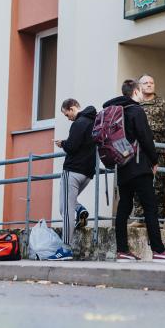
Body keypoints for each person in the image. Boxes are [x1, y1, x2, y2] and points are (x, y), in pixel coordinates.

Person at [103, 80, 165, 263]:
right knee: (151, 208)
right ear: (136, 91)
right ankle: (159, 251)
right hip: (139, 166)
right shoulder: (136, 110)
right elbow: (146, 138)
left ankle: (122, 251)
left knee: (124, 208)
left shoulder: (114, 111)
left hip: (121, 166)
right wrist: (154, 160)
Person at [130, 74, 165, 224]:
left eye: (152, 82)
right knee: (138, 185)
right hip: (138, 152)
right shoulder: (134, 105)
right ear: (139, 86)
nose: (149, 85)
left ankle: (158, 221)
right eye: (146, 83)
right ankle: (139, 219)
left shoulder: (164, 104)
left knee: (157, 187)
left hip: (158, 152)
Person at [52, 98, 96, 261]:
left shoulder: (78, 123)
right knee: (67, 207)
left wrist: (62, 143)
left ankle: (65, 249)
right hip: (87, 172)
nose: (68, 118)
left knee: (66, 211)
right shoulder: (93, 121)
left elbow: (72, 146)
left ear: (71, 108)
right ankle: (80, 209)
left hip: (72, 170)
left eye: (66, 114)